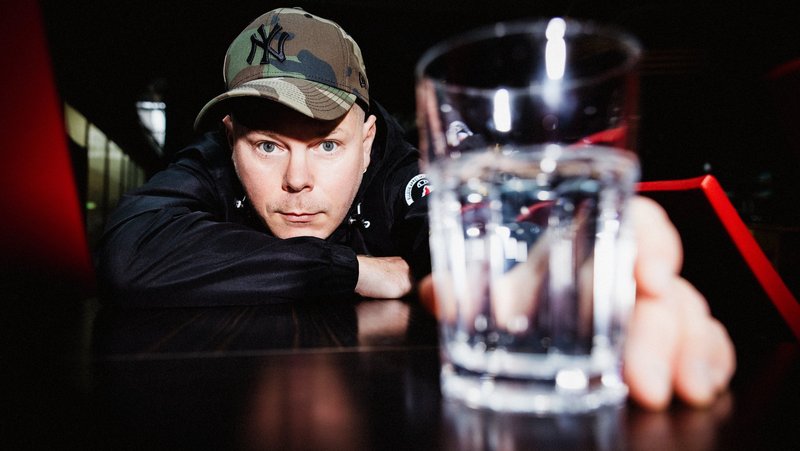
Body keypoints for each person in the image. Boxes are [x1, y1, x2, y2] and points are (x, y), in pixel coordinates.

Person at [95, 7, 734, 410]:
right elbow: (130, 254)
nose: (297, 180)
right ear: (231, 137)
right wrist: (352, 269)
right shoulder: (211, 160)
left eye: (327, 145)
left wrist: (557, 278)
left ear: (367, 139)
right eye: (267, 145)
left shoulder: (400, 166)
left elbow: (462, 243)